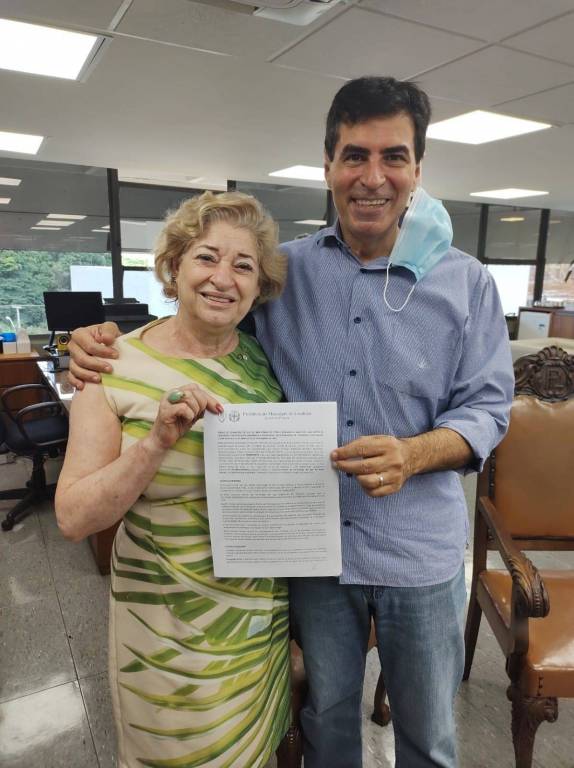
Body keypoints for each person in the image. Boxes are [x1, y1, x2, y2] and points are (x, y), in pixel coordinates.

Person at [68, 76, 515, 768]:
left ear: (418, 169)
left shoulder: (469, 283)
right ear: (328, 166)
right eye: (354, 155)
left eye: (394, 157)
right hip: (311, 558)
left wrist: (415, 454)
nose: (373, 177)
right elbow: (204, 324)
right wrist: (101, 341)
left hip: (419, 554)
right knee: (327, 721)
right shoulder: (285, 274)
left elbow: (487, 408)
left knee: (429, 738)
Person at [56, 191, 290, 768]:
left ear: (258, 287)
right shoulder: (110, 365)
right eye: (206, 257)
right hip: (165, 624)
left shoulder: (265, 361)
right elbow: (74, 518)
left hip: (257, 619)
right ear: (174, 267)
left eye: (243, 266)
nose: (223, 278)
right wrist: (156, 443)